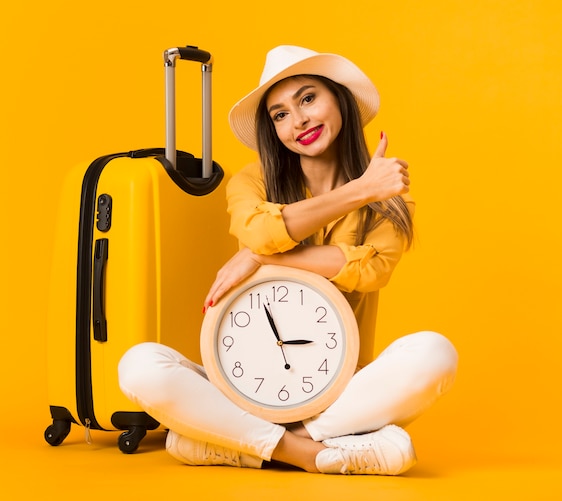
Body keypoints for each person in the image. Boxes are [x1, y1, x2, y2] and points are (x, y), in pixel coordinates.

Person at [118, 45, 458, 475]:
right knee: (139, 366)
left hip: (339, 393)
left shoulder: (390, 199)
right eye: (279, 115)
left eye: (308, 98)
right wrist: (360, 191)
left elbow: (369, 271)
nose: (297, 121)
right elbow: (259, 232)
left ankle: (241, 442)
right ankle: (312, 454)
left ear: (341, 100)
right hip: (240, 387)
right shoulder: (253, 180)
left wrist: (260, 258)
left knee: (434, 353)